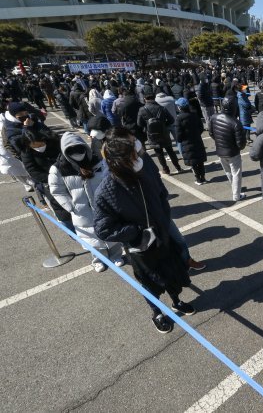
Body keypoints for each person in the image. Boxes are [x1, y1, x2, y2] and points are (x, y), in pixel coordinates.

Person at [94, 128, 196, 334]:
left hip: (162, 236)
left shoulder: (142, 173)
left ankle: (176, 300)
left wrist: (163, 219)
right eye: (133, 156)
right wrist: (137, 233)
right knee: (149, 282)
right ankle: (157, 312)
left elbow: (160, 195)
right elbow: (103, 229)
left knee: (172, 273)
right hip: (140, 247)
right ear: (119, 161)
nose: (138, 158)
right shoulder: (106, 190)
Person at [49, 132, 124, 272]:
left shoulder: (98, 161)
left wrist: (112, 200)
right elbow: (57, 190)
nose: (77, 153)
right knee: (90, 237)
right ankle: (98, 259)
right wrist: (70, 206)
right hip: (81, 211)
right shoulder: (58, 168)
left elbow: (111, 180)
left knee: (111, 232)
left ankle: (116, 255)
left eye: (79, 148)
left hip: (104, 207)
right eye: (71, 150)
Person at [21, 128, 75, 232]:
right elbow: (33, 171)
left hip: (67, 175)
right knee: (60, 209)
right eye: (34, 146)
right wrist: (53, 178)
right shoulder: (26, 152)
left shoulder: (54, 142)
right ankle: (71, 231)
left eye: (40, 144)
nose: (39, 148)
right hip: (48, 183)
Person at [209, 97, 247, 200]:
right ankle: (236, 195)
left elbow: (211, 133)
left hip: (220, 150)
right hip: (232, 152)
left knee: (229, 172)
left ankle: (235, 189)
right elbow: (241, 144)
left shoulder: (213, 117)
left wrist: (220, 142)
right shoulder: (235, 123)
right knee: (236, 174)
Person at [137, 92, 182, 175]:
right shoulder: (161, 108)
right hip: (164, 132)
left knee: (159, 152)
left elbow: (139, 123)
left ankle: (166, 169)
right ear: (154, 98)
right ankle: (178, 167)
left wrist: (147, 127)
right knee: (170, 150)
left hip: (151, 134)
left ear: (145, 99)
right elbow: (171, 120)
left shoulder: (142, 109)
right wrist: (164, 125)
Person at [175, 98, 208, 185]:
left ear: (179, 107)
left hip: (187, 142)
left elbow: (178, 135)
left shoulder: (179, 119)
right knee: (200, 160)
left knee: (193, 162)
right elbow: (201, 128)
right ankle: (203, 177)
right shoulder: (194, 115)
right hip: (197, 140)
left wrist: (182, 139)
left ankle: (198, 179)